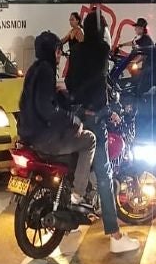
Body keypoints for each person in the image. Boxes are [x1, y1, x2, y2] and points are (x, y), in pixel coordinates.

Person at [64, 11, 140, 253]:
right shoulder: (100, 51)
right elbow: (101, 87)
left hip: (75, 118)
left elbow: (70, 83)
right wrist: (110, 111)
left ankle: (72, 222)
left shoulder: (77, 50)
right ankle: (115, 236)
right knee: (105, 175)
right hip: (95, 120)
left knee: (77, 168)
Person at [17, 32, 98, 202]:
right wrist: (73, 120)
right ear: (52, 51)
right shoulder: (47, 71)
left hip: (28, 134)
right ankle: (78, 194)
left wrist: (60, 96)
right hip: (44, 139)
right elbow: (46, 109)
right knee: (89, 139)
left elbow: (38, 100)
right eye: (58, 51)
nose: (60, 55)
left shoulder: (34, 69)